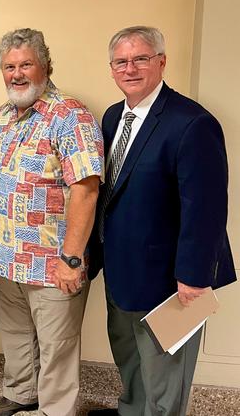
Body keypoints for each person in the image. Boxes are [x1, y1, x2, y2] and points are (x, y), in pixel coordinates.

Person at [87, 26, 236, 416]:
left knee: (165, 370)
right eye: (121, 61)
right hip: (121, 269)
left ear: (162, 62)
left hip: (171, 279)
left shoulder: (191, 122)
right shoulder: (113, 116)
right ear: (112, 68)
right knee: (129, 354)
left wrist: (195, 275)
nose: (130, 68)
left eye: (141, 59)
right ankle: (132, 410)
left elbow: (206, 208)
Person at [0, 28, 104, 416]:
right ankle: (20, 392)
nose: (16, 73)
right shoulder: (0, 117)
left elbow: (87, 189)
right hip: (5, 255)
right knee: (15, 334)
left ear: (46, 65)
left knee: (56, 344)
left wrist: (72, 259)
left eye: (25, 64)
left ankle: (56, 410)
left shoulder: (70, 115)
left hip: (52, 261)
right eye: (9, 66)